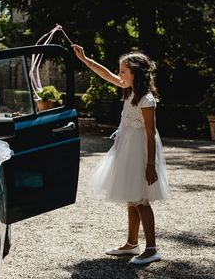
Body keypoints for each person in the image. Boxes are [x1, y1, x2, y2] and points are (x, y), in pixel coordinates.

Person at [72, 44, 170, 265]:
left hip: (140, 151)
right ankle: (132, 243)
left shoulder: (146, 99)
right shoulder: (129, 89)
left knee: (141, 199)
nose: (119, 75)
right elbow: (105, 74)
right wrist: (85, 59)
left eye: (123, 71)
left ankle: (152, 248)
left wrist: (150, 164)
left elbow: (150, 133)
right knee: (131, 197)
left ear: (136, 73)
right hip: (126, 146)